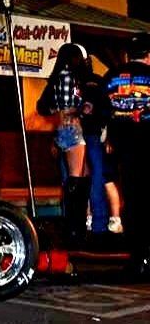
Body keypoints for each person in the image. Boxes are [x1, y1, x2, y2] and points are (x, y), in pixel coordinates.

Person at [104, 33, 150, 274]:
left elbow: (99, 110)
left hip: (126, 149)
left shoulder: (112, 77)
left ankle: (137, 256)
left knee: (132, 200)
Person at [39, 43, 89, 246]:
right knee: (76, 179)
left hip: (65, 127)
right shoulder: (69, 76)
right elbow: (69, 106)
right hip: (72, 127)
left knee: (79, 176)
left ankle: (76, 225)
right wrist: (81, 109)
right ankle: (74, 228)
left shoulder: (58, 76)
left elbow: (49, 106)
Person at [79, 54, 123, 235]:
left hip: (94, 135)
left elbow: (105, 111)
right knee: (99, 179)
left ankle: (103, 220)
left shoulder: (91, 85)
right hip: (96, 136)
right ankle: (104, 220)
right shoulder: (98, 83)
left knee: (101, 179)